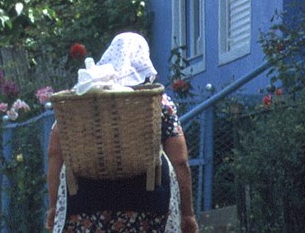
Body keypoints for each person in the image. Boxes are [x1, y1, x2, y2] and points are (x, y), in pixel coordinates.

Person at [44, 33, 198, 233]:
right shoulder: (157, 102)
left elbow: (55, 153)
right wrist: (187, 214)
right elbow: (180, 161)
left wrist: (54, 206)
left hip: (84, 206)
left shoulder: (78, 100)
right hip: (148, 205)